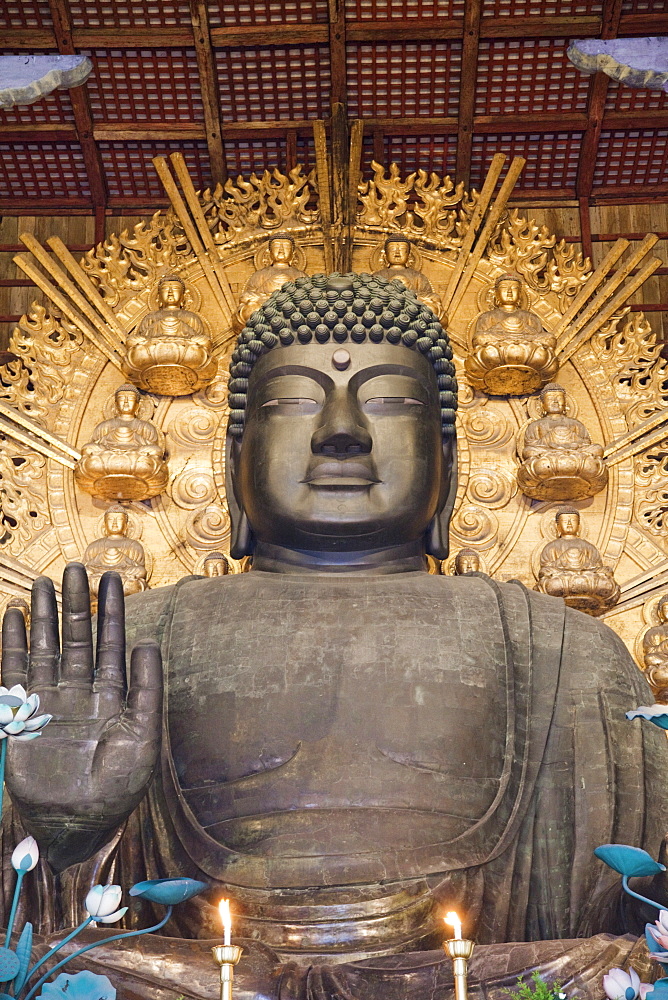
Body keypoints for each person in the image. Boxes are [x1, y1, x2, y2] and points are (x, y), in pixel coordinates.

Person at [3, 272, 666, 1000]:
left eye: (390, 401)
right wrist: (66, 835)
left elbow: (641, 911)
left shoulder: (568, 654)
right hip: (193, 981)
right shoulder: (125, 649)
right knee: (76, 973)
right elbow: (31, 921)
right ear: (233, 463)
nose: (341, 431)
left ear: (447, 463)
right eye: (291, 402)